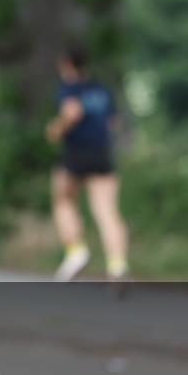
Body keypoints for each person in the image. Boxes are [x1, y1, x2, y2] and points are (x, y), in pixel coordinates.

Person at [45, 43, 130, 281]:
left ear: (65, 63)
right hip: (102, 153)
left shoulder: (70, 88)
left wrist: (56, 129)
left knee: (62, 199)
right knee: (107, 211)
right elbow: (113, 122)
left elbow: (71, 113)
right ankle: (117, 265)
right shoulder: (100, 89)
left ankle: (75, 251)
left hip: (77, 152)